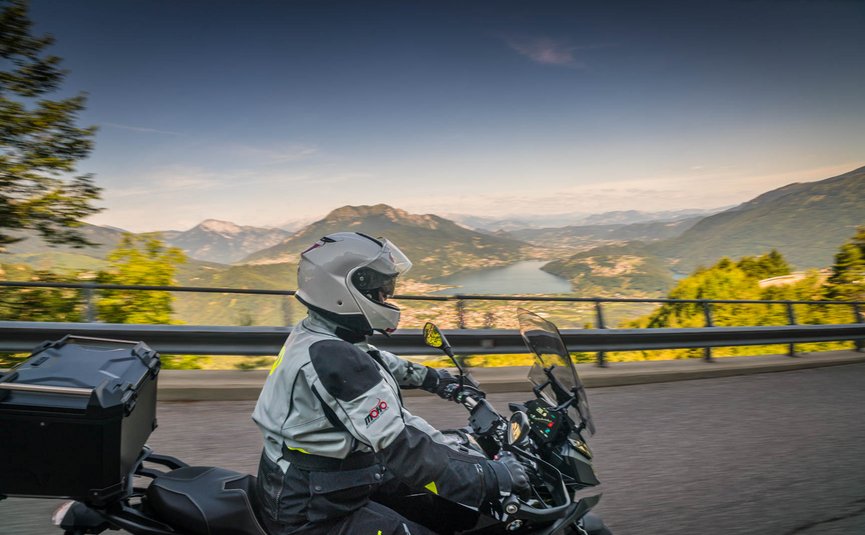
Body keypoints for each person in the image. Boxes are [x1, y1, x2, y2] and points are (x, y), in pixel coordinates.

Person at [252, 232, 529, 535]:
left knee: (438, 503)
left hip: (321, 480)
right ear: (342, 289)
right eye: (377, 289)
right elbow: (403, 449)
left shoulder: (319, 335)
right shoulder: (336, 359)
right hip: (315, 510)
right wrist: (491, 477)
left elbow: (377, 360)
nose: (385, 297)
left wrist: (436, 380)